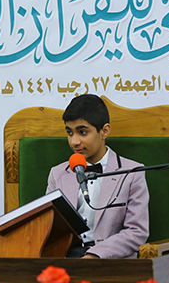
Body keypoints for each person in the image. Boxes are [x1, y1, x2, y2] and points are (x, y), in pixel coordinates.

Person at [46, 94, 150, 259]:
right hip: (65, 260)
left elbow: (136, 231)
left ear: (105, 131)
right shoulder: (57, 173)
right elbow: (49, 226)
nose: (74, 142)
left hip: (110, 261)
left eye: (83, 132)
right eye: (70, 133)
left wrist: (95, 256)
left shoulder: (132, 172)